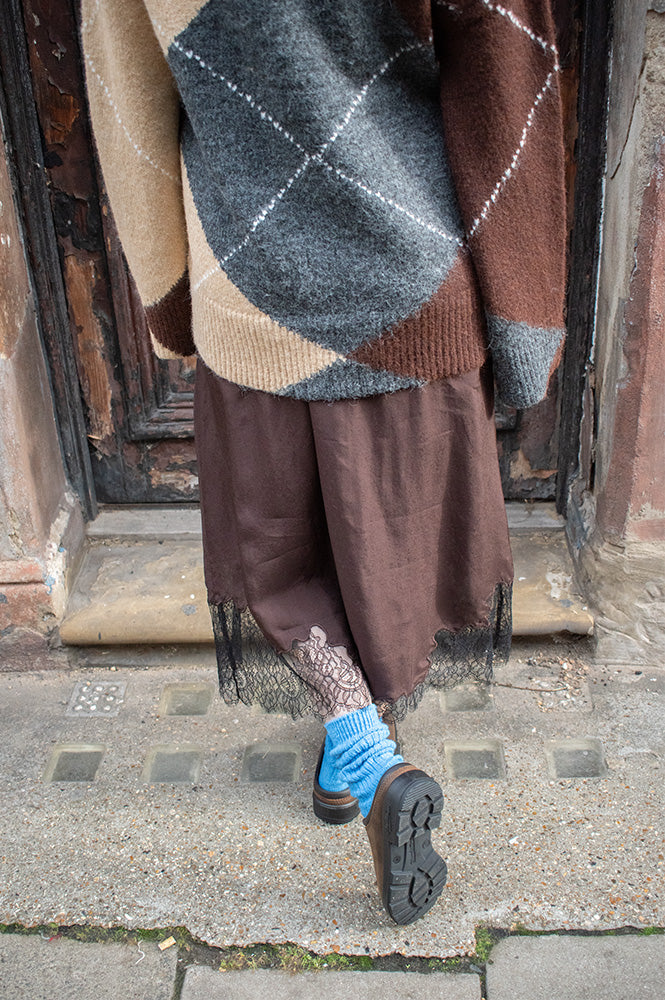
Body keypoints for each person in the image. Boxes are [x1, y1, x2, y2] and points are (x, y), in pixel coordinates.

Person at [80, 0, 566, 924]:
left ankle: (359, 749)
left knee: (278, 551)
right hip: (413, 282)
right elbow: (506, 77)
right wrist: (522, 320)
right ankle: (373, 757)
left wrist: (173, 301)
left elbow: (125, 100)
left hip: (247, 289)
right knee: (393, 538)